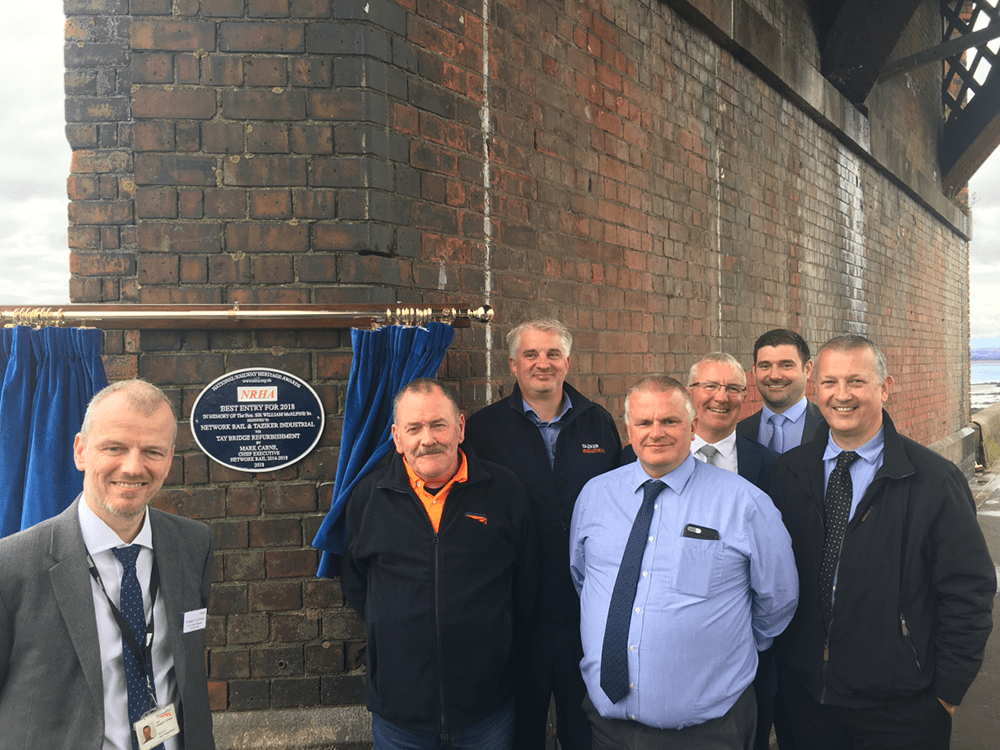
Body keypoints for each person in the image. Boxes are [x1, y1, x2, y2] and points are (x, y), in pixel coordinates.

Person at [769, 334, 996, 749]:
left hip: (903, 710)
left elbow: (969, 591)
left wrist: (947, 693)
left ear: (885, 387)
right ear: (815, 388)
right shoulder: (788, 474)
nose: (841, 395)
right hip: (805, 704)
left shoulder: (934, 481)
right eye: (829, 382)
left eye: (856, 381)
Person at [570, 375, 798, 749]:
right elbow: (584, 578)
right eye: (644, 422)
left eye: (669, 421)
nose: (655, 433)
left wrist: (727, 646)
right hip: (609, 727)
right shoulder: (595, 496)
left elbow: (778, 598)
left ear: (692, 427)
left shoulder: (744, 503)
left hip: (707, 730)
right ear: (628, 428)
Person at [0, 379, 215, 750]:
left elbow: (187, 674)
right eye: (114, 447)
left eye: (152, 451)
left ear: (170, 457)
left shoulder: (195, 544)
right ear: (81, 451)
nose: (133, 467)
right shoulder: (11, 565)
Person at [342, 379, 537, 750]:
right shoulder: (369, 498)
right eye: (414, 428)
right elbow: (356, 584)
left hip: (486, 710)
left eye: (438, 425)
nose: (427, 438)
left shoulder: (503, 490)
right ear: (397, 438)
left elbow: (525, 582)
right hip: (400, 715)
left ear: (460, 427)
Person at [465, 318, 621, 750]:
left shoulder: (598, 424)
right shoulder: (484, 431)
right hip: (516, 613)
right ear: (513, 365)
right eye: (531, 355)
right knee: (521, 732)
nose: (542, 363)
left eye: (553, 354)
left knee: (582, 729)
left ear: (567, 362)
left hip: (585, 612)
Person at [737, 329, 825, 452]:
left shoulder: (831, 427)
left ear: (808, 369)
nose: (774, 376)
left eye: (786, 365)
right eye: (765, 366)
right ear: (754, 370)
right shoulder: (738, 433)